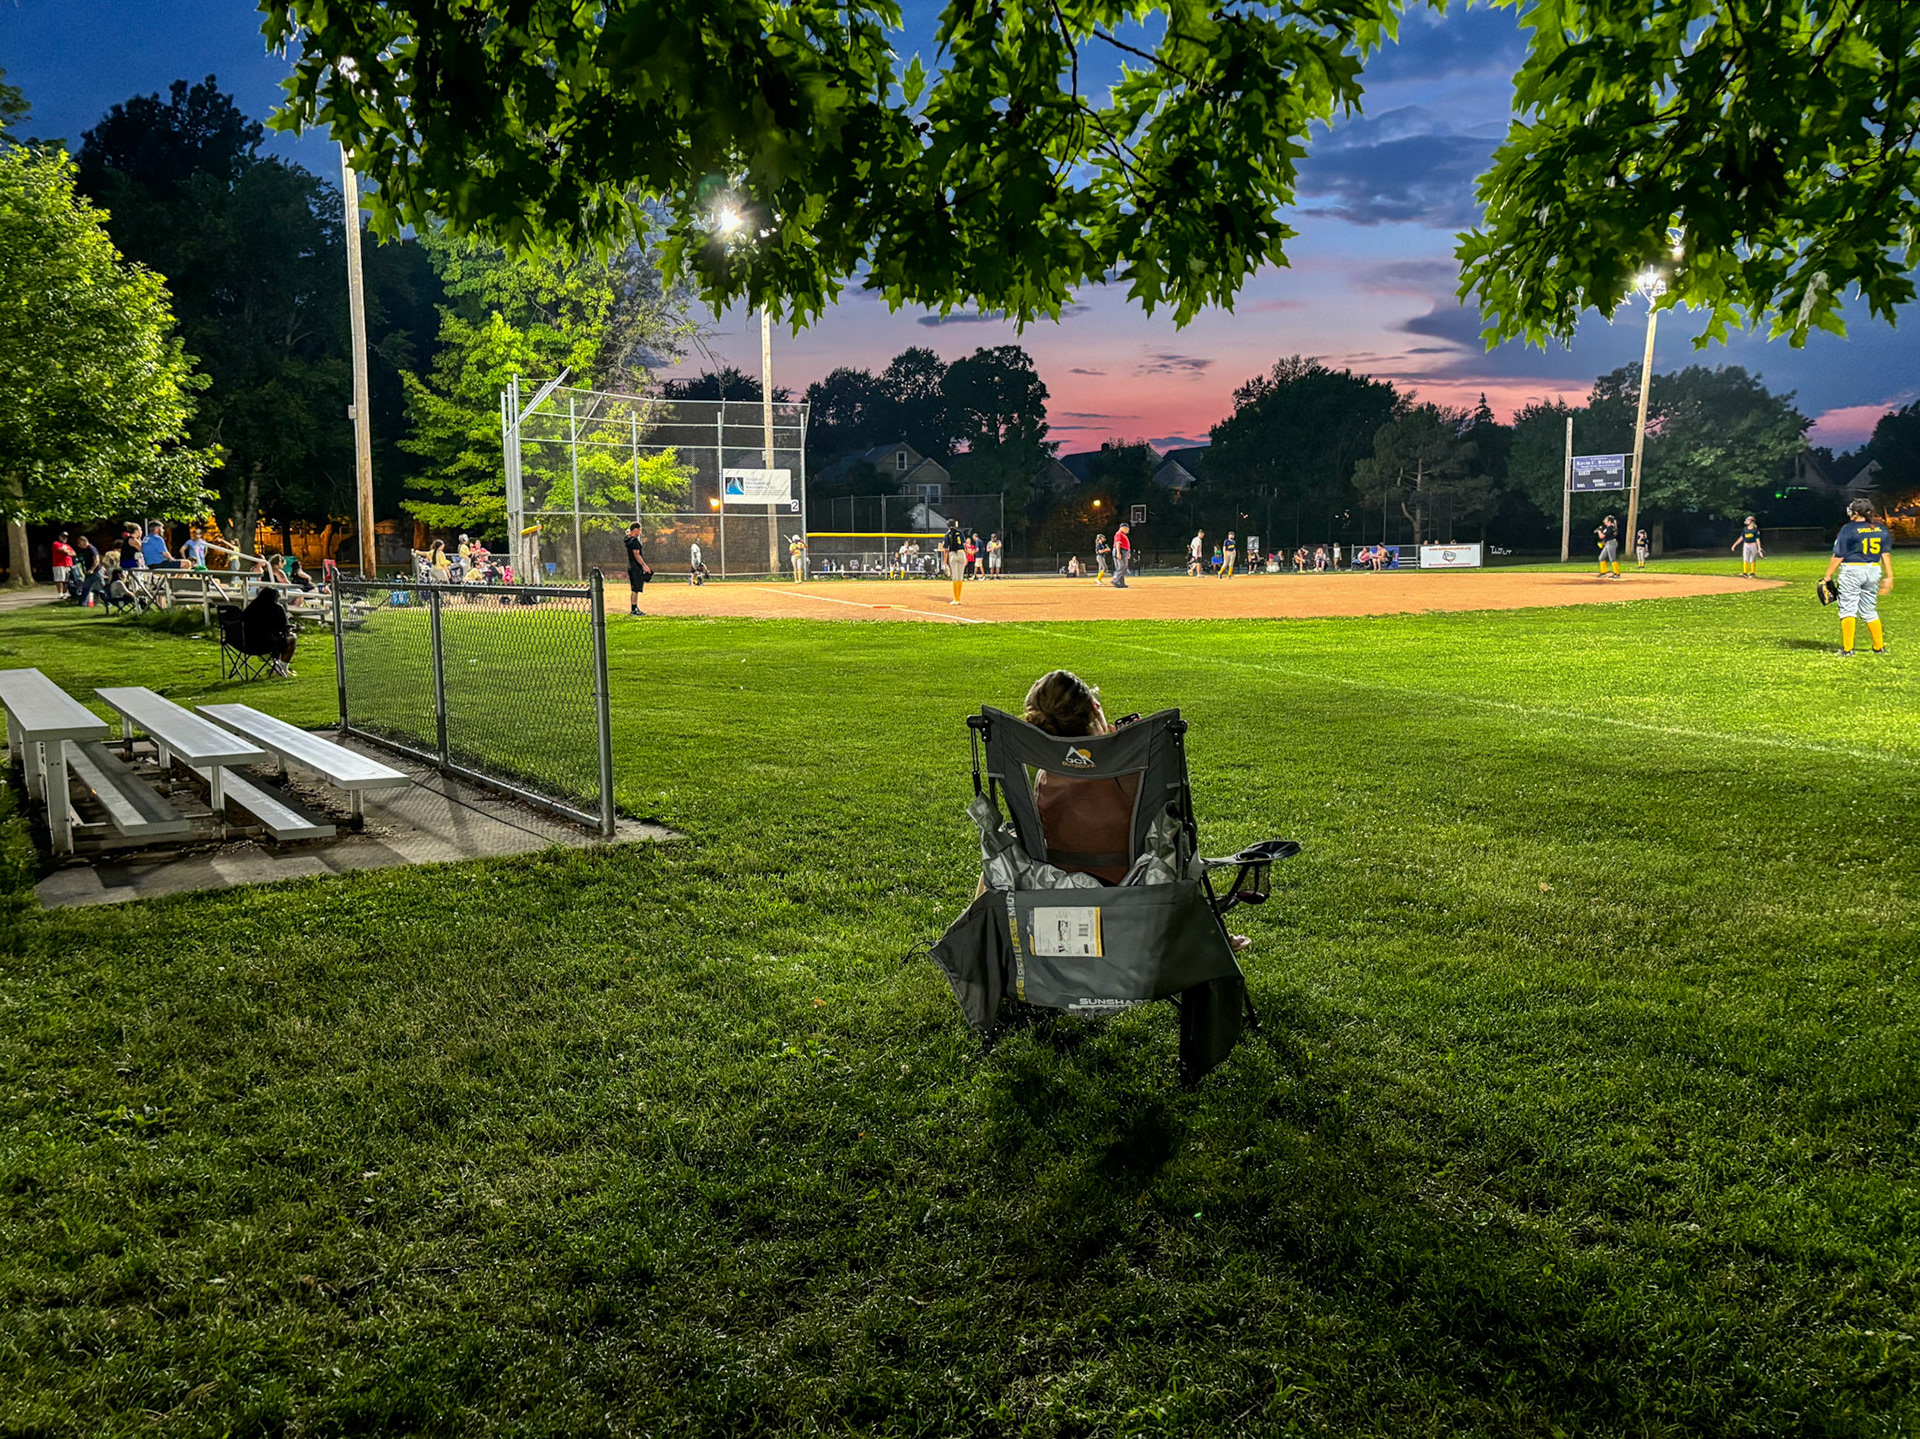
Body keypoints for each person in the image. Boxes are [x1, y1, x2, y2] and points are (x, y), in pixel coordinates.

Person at [1824, 497, 1892, 656]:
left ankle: (1848, 649)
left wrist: (1828, 576)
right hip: (1874, 570)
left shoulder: (1848, 529)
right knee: (1869, 609)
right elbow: (1885, 555)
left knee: (1848, 608)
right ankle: (1879, 647)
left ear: (1855, 513)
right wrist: (1889, 576)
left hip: (1853, 570)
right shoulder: (1881, 529)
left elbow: (1838, 556)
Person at [624, 521, 651, 615]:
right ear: (635, 530)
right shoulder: (634, 541)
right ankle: (634, 609)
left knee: (635, 589)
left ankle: (634, 608)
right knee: (636, 589)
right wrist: (644, 566)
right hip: (636, 567)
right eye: (639, 530)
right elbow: (636, 554)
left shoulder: (628, 539)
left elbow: (627, 535)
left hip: (631, 566)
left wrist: (629, 532)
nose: (640, 532)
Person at [942, 517, 966, 605]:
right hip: (961, 554)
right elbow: (964, 545)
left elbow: (946, 550)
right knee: (960, 578)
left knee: (955, 578)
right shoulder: (960, 533)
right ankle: (958, 599)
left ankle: (955, 599)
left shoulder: (947, 534)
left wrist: (945, 562)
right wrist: (966, 556)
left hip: (953, 555)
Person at [1596, 513, 1621, 580]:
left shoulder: (1611, 527)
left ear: (1609, 521)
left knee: (1612, 558)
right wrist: (1603, 542)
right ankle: (1603, 572)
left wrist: (1599, 531)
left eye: (1606, 520)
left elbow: (1602, 536)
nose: (1605, 521)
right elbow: (1606, 537)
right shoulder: (1609, 528)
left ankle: (1617, 573)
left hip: (1611, 543)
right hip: (1608, 543)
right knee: (1601, 558)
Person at [1111, 520, 1132, 588]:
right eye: (1127, 529)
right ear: (1123, 528)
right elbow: (1118, 543)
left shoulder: (1122, 534)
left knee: (1121, 568)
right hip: (1121, 551)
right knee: (1122, 567)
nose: (1128, 530)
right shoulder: (1119, 534)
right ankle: (1115, 580)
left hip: (1122, 551)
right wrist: (1118, 553)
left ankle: (1121, 583)